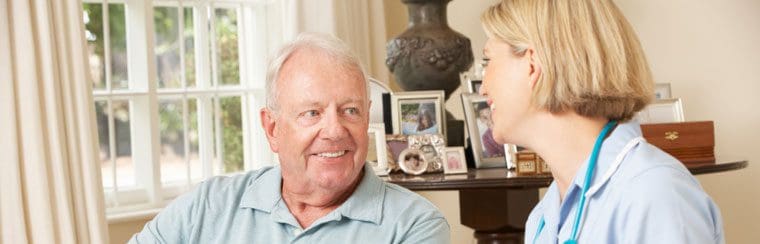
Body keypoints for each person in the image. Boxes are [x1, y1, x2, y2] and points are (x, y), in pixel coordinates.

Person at [129, 33, 450, 243]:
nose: (335, 130)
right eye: (312, 113)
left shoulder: (414, 225)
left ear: (367, 117)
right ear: (272, 129)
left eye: (350, 111)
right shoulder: (209, 205)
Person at [480, 1, 723, 243]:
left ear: (532, 64)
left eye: (487, 61)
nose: (482, 88)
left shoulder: (655, 194)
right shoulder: (544, 218)